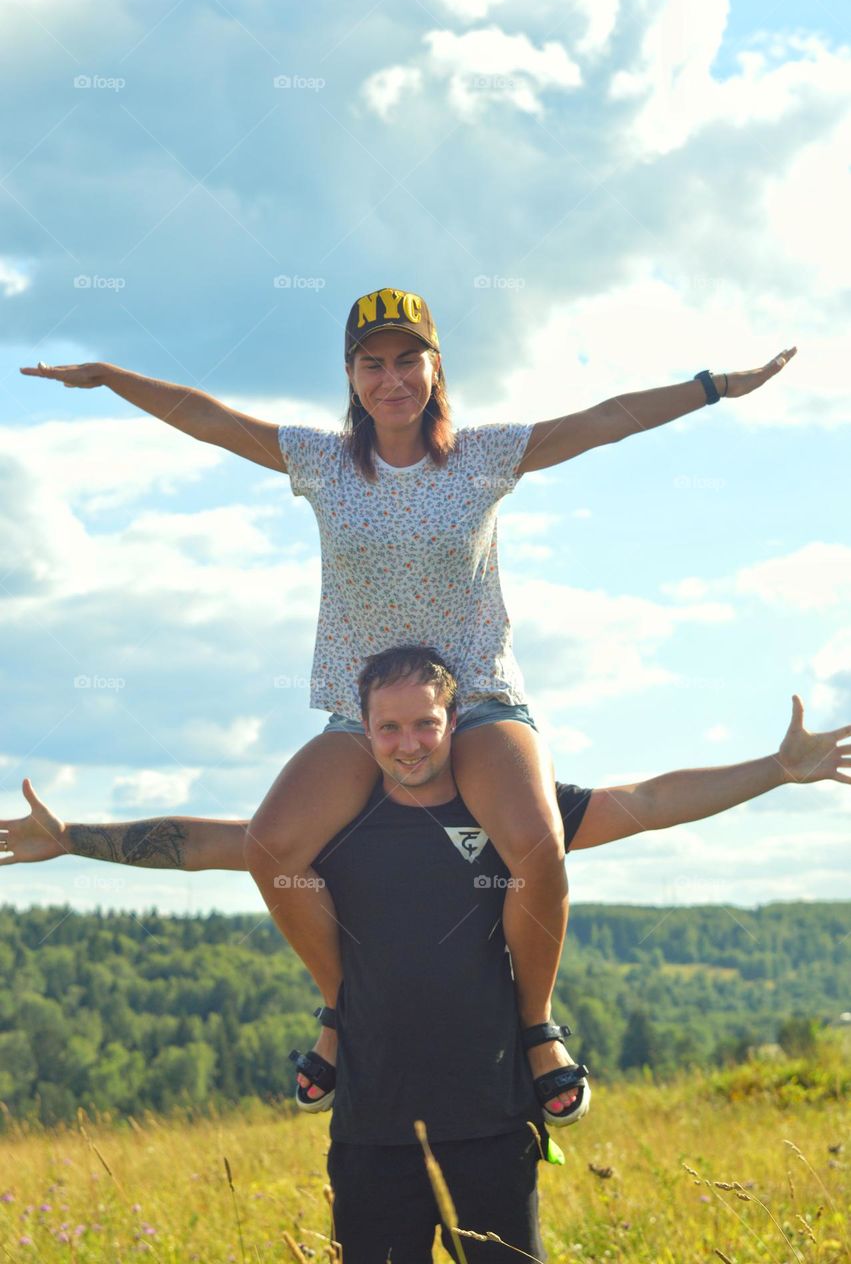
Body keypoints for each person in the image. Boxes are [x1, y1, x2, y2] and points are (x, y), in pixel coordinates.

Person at [19, 290, 798, 1119]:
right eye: (372, 363)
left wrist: (714, 387)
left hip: (478, 700)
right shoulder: (320, 462)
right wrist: (112, 377)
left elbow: (605, 419)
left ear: (434, 368)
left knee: (536, 842)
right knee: (273, 844)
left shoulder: (484, 456)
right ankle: (343, 1010)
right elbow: (207, 418)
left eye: (406, 360)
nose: (390, 379)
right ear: (351, 376)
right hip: (365, 717)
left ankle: (535, 1026)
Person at [2, 647, 848, 1262]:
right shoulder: (336, 827)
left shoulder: (510, 816)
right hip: (369, 1122)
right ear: (363, 731)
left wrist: (777, 769)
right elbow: (200, 844)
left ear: (454, 723)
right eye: (388, 727)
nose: (407, 742)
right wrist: (71, 837)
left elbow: (651, 800)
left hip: (490, 1114)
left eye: (424, 724)